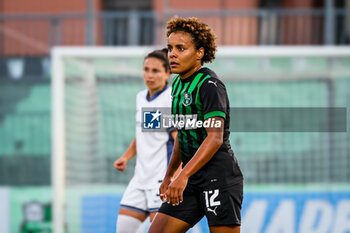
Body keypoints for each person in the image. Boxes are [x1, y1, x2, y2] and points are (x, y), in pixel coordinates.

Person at [148, 17, 244, 233]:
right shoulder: (178, 85)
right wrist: (169, 175)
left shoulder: (209, 85)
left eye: (180, 48)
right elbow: (184, 134)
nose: (172, 54)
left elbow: (214, 137)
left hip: (218, 177)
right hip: (190, 178)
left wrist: (182, 176)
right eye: (170, 48)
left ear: (200, 52)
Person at [114, 49, 177, 233]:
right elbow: (143, 133)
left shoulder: (170, 99)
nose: (149, 75)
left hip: (161, 181)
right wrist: (126, 157)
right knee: (123, 229)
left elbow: (179, 141)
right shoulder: (141, 97)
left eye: (155, 71)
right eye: (146, 69)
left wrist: (175, 176)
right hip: (139, 179)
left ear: (167, 73)